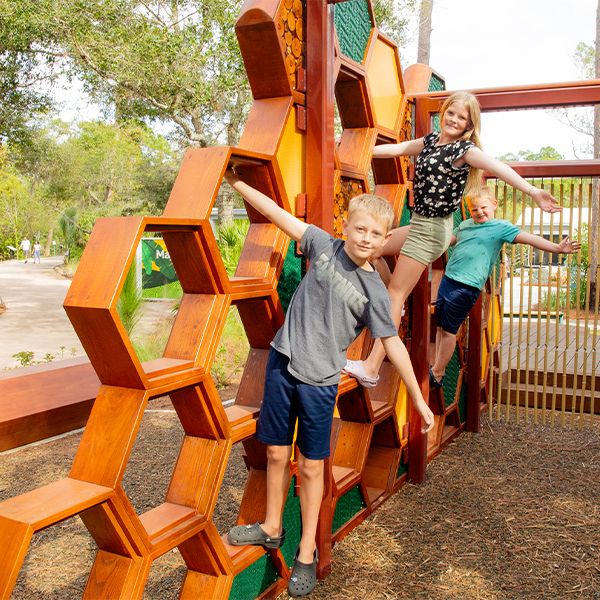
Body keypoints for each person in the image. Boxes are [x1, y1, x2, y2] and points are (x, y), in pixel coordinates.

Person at [223, 169, 434, 597]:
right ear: (345, 226)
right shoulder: (322, 244)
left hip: (319, 382)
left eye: (377, 234)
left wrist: (418, 397)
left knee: (313, 466)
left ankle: (305, 552)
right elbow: (280, 216)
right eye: (360, 228)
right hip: (283, 365)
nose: (367, 238)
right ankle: (271, 526)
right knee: (278, 454)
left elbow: (392, 345)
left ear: (386, 239)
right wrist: (238, 185)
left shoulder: (375, 291)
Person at [344, 91, 562, 388]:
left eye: (462, 118)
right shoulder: (431, 140)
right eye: (452, 113)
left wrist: (533, 192)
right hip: (421, 223)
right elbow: (396, 150)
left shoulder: (465, 150)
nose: (455, 120)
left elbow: (500, 167)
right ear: (444, 112)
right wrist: (350, 151)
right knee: (372, 253)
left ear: (469, 125)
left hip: (433, 230)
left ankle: (371, 367)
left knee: (394, 295)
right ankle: (394, 304)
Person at [428, 186, 580, 387]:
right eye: (474, 209)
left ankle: (437, 373)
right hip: (449, 280)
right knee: (440, 328)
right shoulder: (465, 225)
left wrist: (557, 248)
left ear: (494, 204)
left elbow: (529, 238)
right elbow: (447, 241)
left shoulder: (501, 228)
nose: (479, 212)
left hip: (467, 286)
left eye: (483, 207)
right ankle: (438, 367)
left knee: (448, 331)